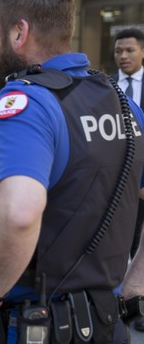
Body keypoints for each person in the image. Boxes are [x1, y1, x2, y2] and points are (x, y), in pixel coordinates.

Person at [0, 0, 144, 343]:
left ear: (18, 33)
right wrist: (134, 283)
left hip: (31, 323)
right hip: (104, 323)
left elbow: (20, 213)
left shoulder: (26, 102)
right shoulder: (122, 104)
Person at [111, 27, 144, 333]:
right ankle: (119, 301)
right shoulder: (106, 87)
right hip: (122, 183)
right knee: (124, 242)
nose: (123, 56)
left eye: (129, 50)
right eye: (119, 51)